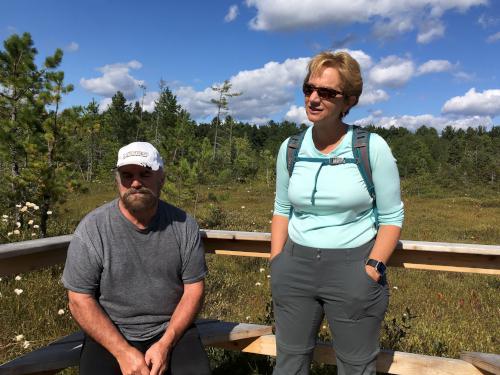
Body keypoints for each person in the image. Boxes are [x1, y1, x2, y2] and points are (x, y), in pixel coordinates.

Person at [270, 51, 404, 375]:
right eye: (309, 88)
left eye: (327, 92)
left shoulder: (371, 148)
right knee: (288, 364)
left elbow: (391, 217)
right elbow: (281, 208)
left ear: (349, 101)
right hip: (295, 265)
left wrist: (372, 268)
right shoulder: (290, 148)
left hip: (353, 267)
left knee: (356, 367)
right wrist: (277, 260)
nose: (314, 98)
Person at [62, 142, 211, 375]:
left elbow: (194, 290)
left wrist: (166, 343)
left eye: (145, 174)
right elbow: (79, 299)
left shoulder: (183, 225)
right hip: (111, 330)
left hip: (171, 328)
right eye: (127, 175)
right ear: (117, 180)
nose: (135, 183)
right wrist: (122, 351)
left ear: (161, 178)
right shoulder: (93, 228)